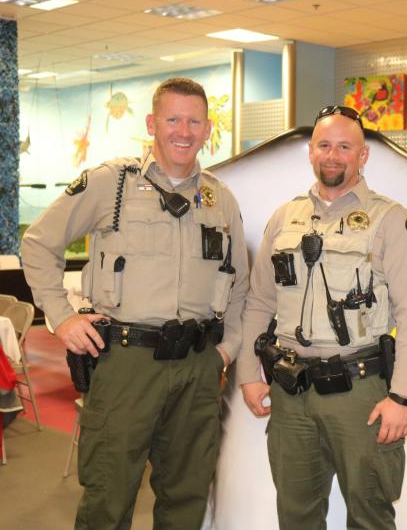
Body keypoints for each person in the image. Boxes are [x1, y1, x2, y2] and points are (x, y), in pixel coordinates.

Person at [22, 77, 249, 530]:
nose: (183, 131)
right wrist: (62, 318)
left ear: (207, 129)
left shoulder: (219, 198)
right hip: (128, 363)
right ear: (151, 123)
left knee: (186, 496)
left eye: (194, 121)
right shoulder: (112, 184)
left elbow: (240, 284)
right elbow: (38, 244)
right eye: (172, 119)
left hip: (198, 367)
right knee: (109, 494)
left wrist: (225, 352)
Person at [237, 105, 407, 529]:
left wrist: (401, 397)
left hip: (360, 392)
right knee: (296, 514)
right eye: (324, 145)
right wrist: (249, 373)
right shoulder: (284, 218)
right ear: (310, 151)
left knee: (370, 515)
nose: (333, 155)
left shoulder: (392, 221)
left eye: (345, 146)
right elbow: (258, 302)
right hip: (291, 392)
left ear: (363, 156)